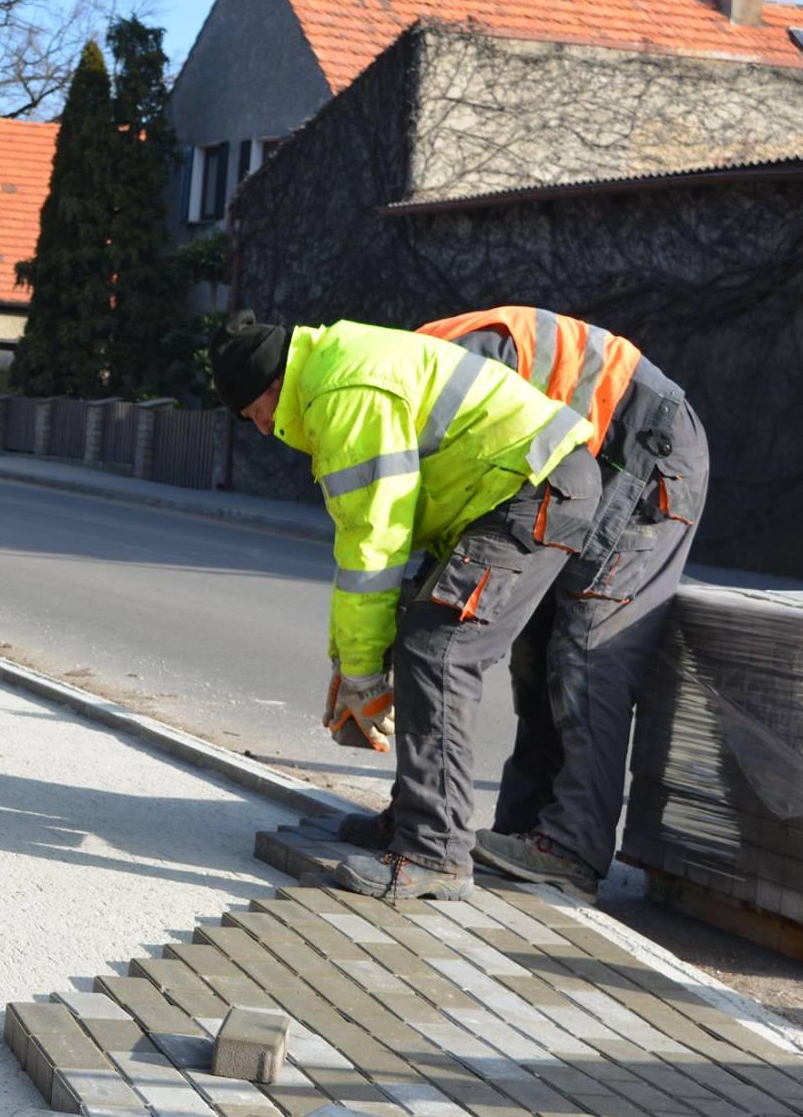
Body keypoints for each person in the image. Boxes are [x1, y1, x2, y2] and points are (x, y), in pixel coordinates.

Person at [211, 312, 599, 901]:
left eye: (255, 415)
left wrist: (364, 676)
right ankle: (412, 821)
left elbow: (374, 541)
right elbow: (364, 548)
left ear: (269, 385)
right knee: (422, 629)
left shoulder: (343, 394)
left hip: (533, 486)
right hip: (510, 488)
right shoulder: (332, 371)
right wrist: (349, 664)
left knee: (438, 651)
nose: (263, 430)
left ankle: (435, 853)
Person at [397, 307, 709, 896]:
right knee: (538, 642)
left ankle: (573, 847)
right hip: (605, 451)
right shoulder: (418, 370)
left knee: (589, 648)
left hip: (645, 452)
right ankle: (526, 828)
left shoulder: (448, 367)